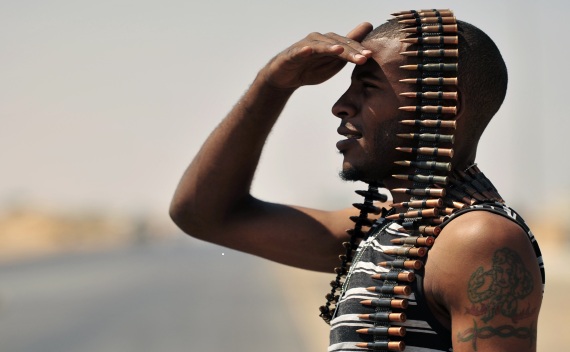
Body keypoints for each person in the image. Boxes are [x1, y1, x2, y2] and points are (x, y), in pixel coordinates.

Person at [170, 9, 545, 352]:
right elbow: (202, 214)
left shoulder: (476, 239)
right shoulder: (390, 230)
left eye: (368, 88)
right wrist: (273, 83)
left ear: (446, 106)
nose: (341, 105)